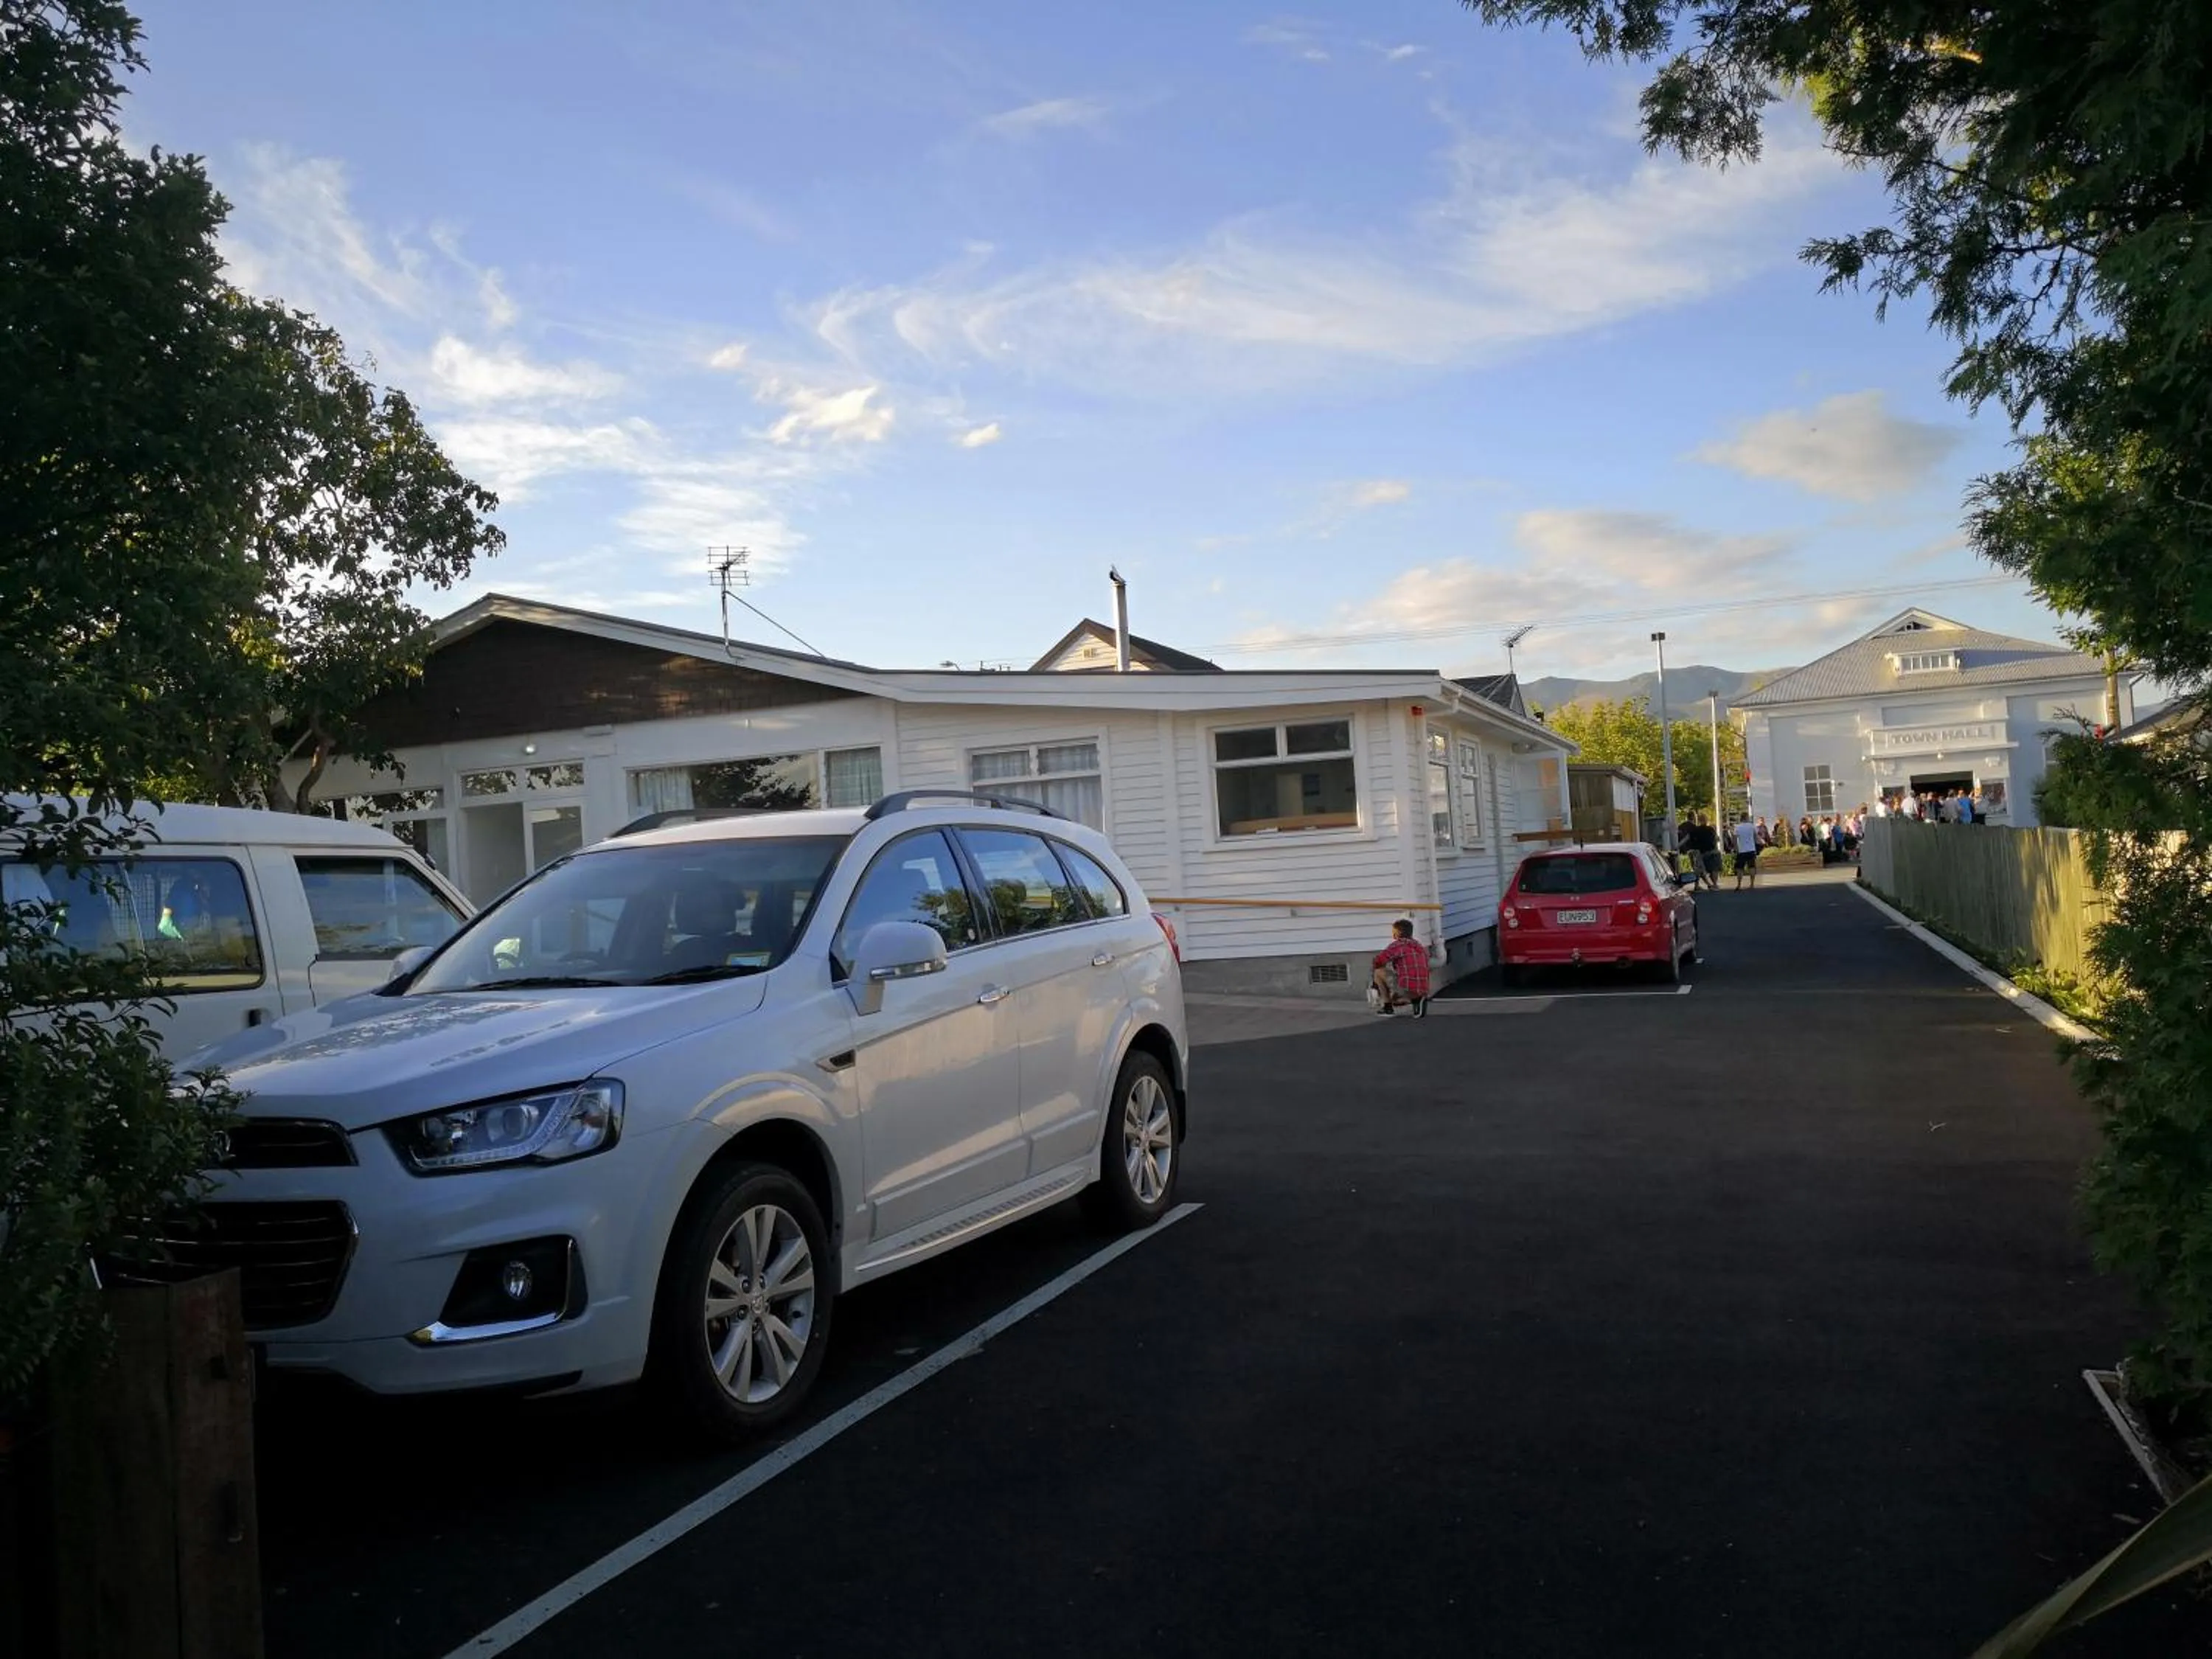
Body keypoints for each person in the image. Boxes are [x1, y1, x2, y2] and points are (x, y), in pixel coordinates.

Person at [1369, 919, 1431, 1018]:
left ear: (1397, 933)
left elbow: (1379, 961)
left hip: (1406, 989)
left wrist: (1374, 981)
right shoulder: (1419, 946)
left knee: (1378, 972)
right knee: (1402, 983)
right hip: (1423, 988)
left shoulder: (1397, 945)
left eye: (1393, 931)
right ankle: (1417, 1001)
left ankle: (1387, 1007)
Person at [1732, 812, 1760, 889]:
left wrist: (1736, 848)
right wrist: (1755, 845)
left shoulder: (1737, 827)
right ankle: (1752, 884)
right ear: (1747, 818)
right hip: (1751, 849)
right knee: (1752, 867)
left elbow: (1734, 839)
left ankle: (1739, 884)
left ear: (1741, 818)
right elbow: (1755, 837)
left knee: (1740, 868)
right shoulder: (1752, 826)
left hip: (1741, 850)